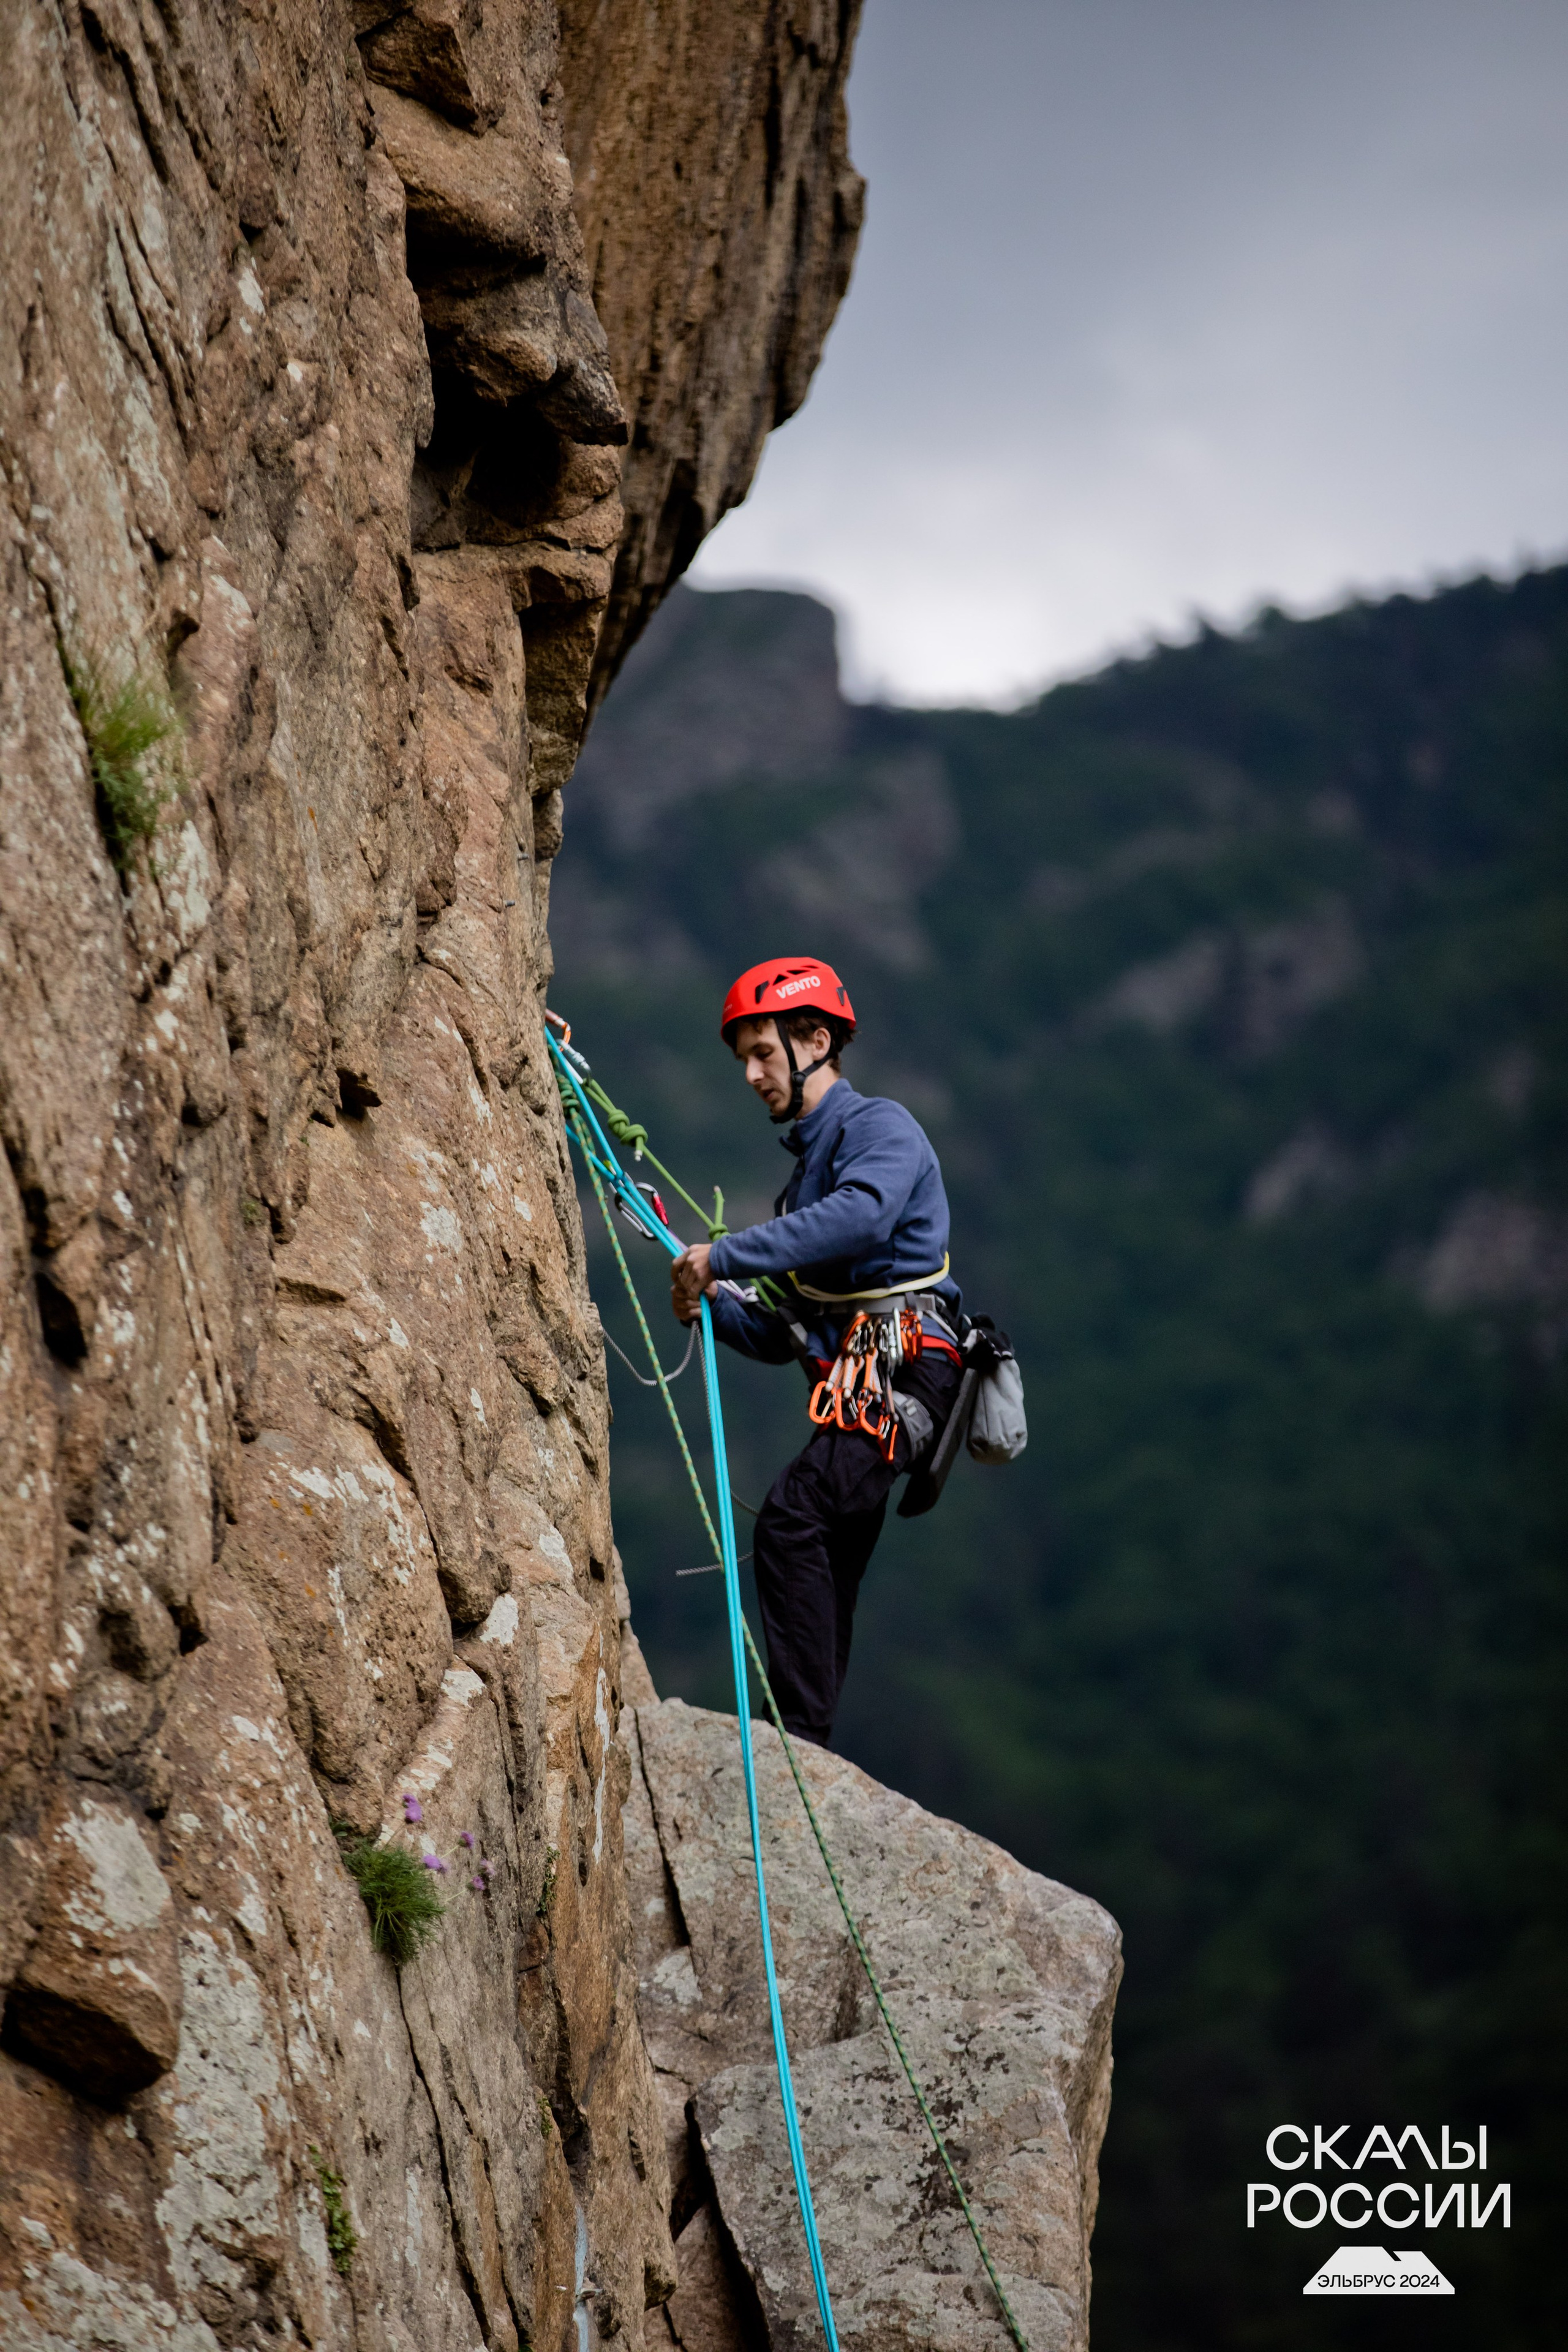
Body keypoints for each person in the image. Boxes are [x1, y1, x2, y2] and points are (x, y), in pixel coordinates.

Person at [669, 958, 965, 1747]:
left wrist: (725, 1260)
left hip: (906, 1366)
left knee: (796, 1519)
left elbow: (864, 1221)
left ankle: (794, 1737)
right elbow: (780, 1330)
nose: (753, 1074)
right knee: (825, 1555)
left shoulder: (880, 1130)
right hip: (870, 1373)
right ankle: (808, 1740)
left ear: (815, 1040)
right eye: (744, 1060)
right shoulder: (804, 1187)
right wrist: (707, 1310)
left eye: (764, 1052)